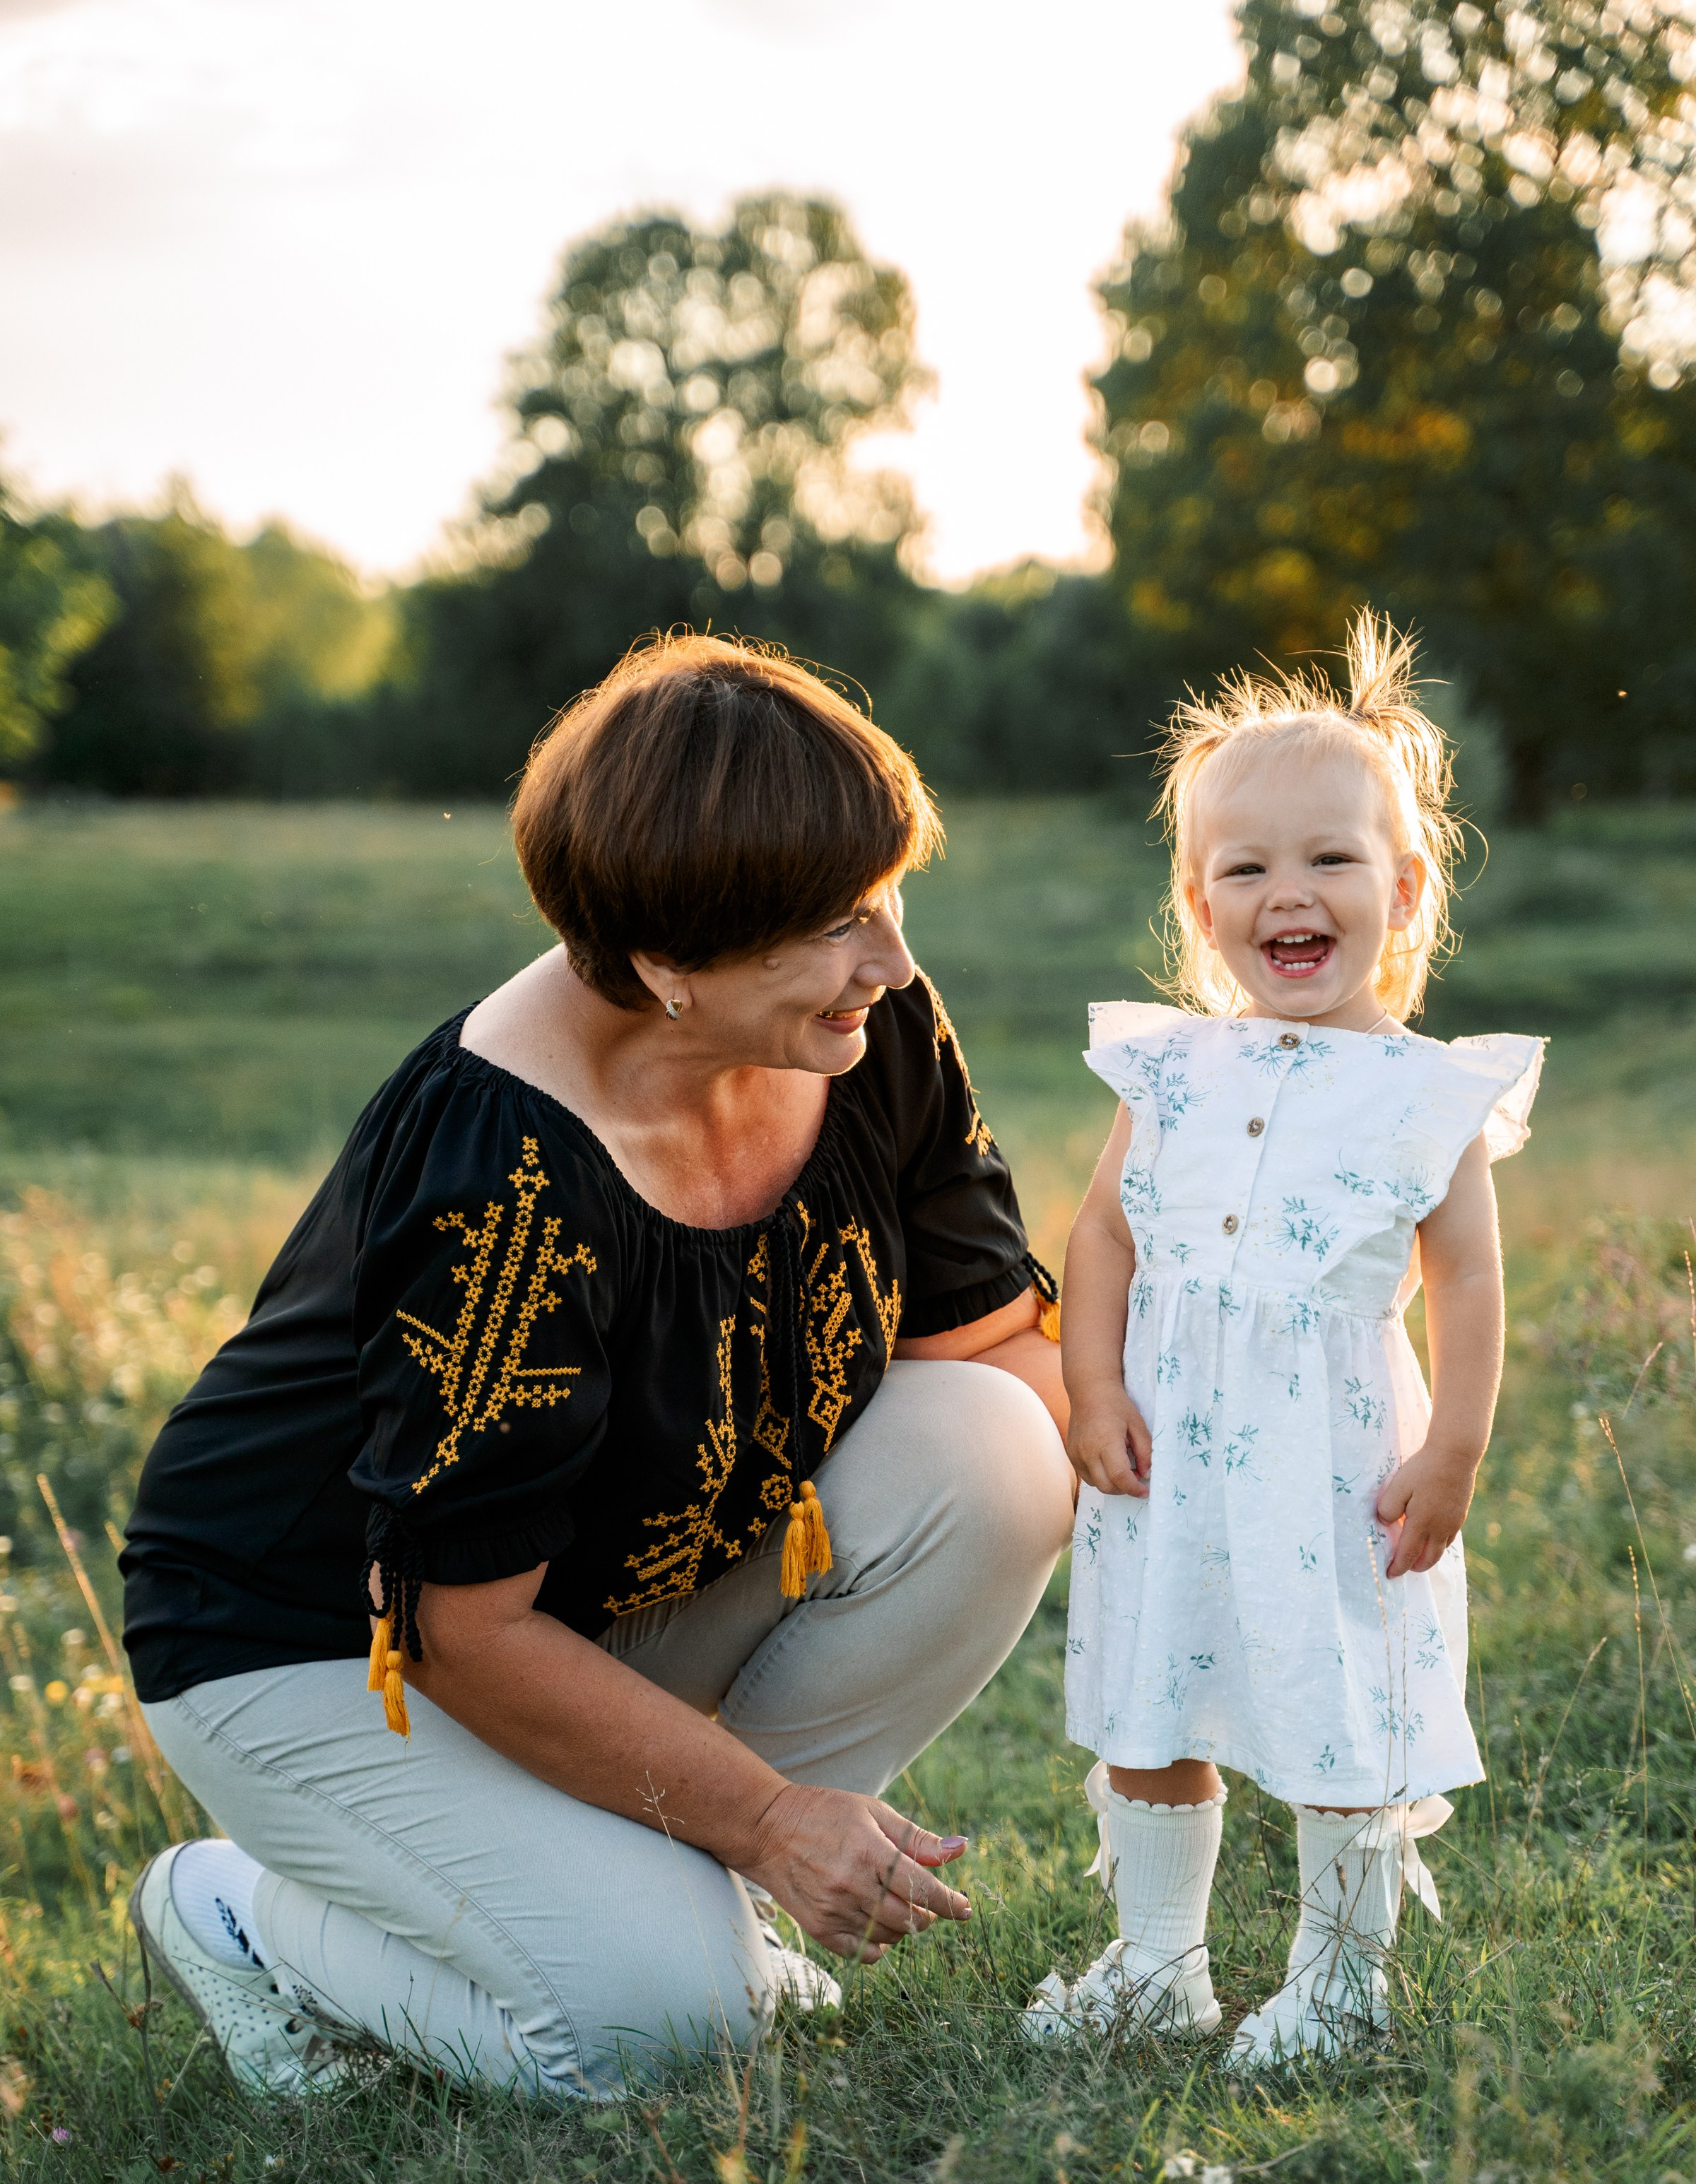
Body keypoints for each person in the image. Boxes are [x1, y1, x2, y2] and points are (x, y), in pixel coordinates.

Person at [121, 633, 1074, 2100]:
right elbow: (460, 1629)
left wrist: (1227, 1534)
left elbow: (994, 1347)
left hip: (592, 1594)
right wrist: (763, 1815)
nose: (886, 962)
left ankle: (675, 1907)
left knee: (996, 1450)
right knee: (658, 2033)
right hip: (334, 1648)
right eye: (835, 928)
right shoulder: (504, 1178)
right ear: (663, 968)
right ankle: (247, 1913)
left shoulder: (852, 1025)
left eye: (885, 904)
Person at [1023, 615, 1542, 2067]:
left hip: (1336, 1452)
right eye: (1244, 869)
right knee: (1153, 1684)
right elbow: (1105, 1234)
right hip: (1168, 1444)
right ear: (1198, 903)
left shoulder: (1424, 1097)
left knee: (1339, 1697)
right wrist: (1088, 1383)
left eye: (1328, 860)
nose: (1287, 895)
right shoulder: (1171, 1068)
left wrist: (1455, 1449)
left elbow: (1470, 1288)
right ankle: (1154, 1959)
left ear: (1406, 885)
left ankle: (1339, 1976)